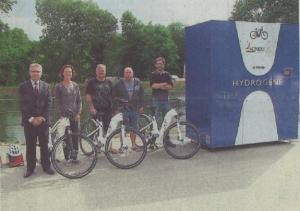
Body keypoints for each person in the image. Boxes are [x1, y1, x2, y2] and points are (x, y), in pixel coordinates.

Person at [19, 63, 54, 178]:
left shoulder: (46, 86)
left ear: (41, 73)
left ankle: (46, 166)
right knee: (30, 146)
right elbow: (22, 105)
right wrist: (31, 119)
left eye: (38, 71)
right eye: (33, 71)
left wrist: (42, 117)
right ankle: (30, 168)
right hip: (29, 122)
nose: (35, 73)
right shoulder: (23, 86)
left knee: (44, 145)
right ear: (30, 72)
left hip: (43, 122)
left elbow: (49, 103)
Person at [113, 67, 144, 151]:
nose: (128, 74)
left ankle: (134, 145)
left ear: (132, 73)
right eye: (126, 72)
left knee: (134, 128)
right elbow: (114, 97)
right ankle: (122, 146)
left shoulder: (138, 82)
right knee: (123, 128)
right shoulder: (118, 83)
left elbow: (141, 95)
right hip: (123, 109)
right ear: (124, 74)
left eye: (130, 72)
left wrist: (141, 106)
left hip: (135, 109)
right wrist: (116, 109)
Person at [55, 65, 82, 161]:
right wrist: (60, 115)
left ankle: (75, 156)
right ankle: (67, 156)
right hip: (64, 115)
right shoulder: (58, 86)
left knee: (75, 135)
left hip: (74, 115)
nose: (68, 73)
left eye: (70, 72)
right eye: (66, 72)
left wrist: (78, 113)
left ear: (72, 73)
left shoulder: (75, 85)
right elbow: (57, 102)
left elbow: (79, 100)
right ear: (62, 73)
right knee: (66, 136)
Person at [85, 64, 113, 133]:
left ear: (105, 72)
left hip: (108, 110)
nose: (101, 72)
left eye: (103, 70)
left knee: (107, 130)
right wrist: (91, 107)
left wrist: (114, 109)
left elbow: (113, 95)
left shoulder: (109, 82)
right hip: (96, 110)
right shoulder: (91, 82)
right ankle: (95, 143)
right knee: (97, 130)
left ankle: (107, 143)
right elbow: (88, 95)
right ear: (96, 71)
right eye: (99, 70)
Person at [150, 57, 173, 121]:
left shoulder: (167, 74)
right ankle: (154, 130)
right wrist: (164, 84)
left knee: (166, 119)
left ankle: (166, 131)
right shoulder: (153, 74)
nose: (160, 65)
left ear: (164, 65)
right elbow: (153, 86)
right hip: (155, 100)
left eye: (161, 64)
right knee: (155, 119)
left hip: (165, 100)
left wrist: (158, 85)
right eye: (158, 64)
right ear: (155, 65)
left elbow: (170, 86)